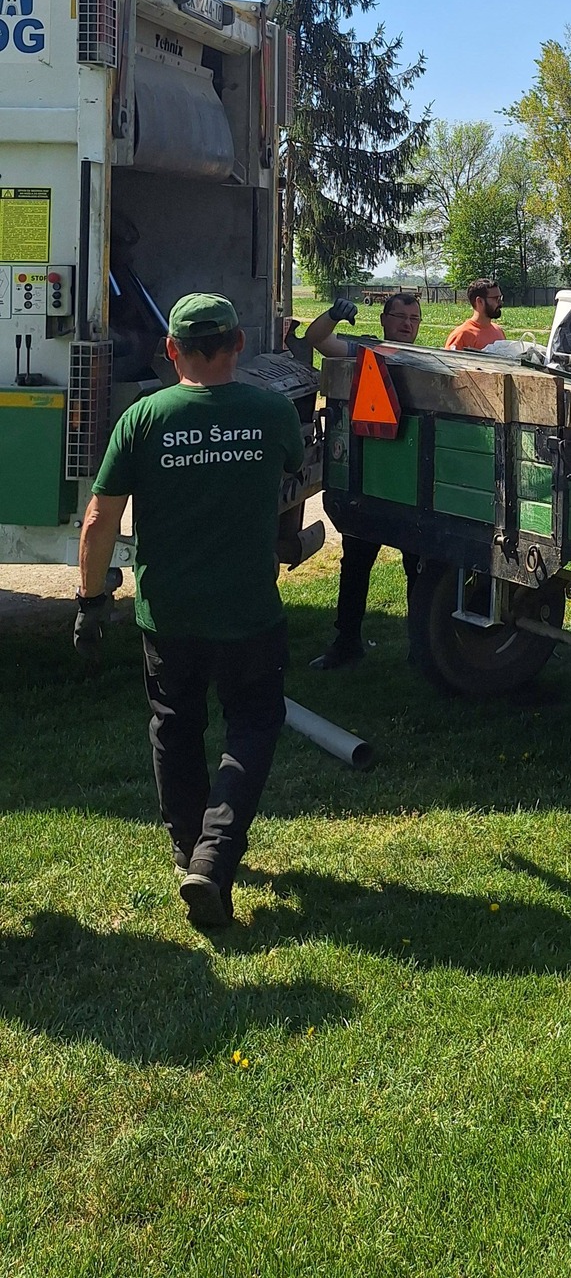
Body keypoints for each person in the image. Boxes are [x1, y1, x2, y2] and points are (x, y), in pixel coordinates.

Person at [75, 294, 305, 930]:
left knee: (175, 729)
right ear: (237, 344)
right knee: (254, 724)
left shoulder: (143, 418)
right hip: (249, 612)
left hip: (168, 616)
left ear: (172, 350)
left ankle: (190, 852)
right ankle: (215, 855)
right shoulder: (270, 410)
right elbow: (295, 473)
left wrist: (91, 602)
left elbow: (99, 520)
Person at [301, 291, 423, 671]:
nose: (406, 323)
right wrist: (332, 316)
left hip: (412, 483)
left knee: (417, 567)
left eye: (414, 318)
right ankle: (346, 642)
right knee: (355, 561)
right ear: (384, 319)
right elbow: (316, 340)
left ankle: (421, 649)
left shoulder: (428, 362)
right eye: (400, 316)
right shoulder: (362, 351)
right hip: (368, 480)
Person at [444, 279, 506, 351]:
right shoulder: (461, 335)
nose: (500, 302)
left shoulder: (498, 330)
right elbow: (450, 361)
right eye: (495, 298)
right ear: (479, 301)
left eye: (500, 297)